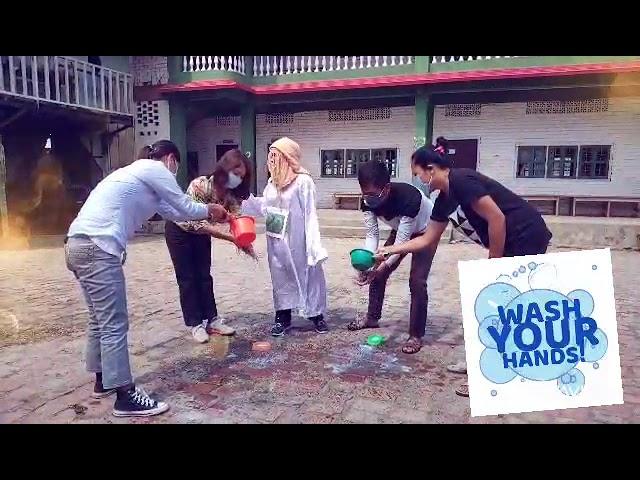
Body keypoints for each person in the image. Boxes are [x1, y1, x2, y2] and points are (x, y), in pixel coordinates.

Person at [65, 140, 229, 417]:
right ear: (170, 159)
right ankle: (125, 396)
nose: (174, 171)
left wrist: (207, 217)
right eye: (175, 164)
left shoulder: (136, 175)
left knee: (99, 319)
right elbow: (186, 206)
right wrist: (211, 210)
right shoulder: (155, 168)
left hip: (76, 245)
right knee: (114, 323)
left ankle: (102, 380)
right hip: (98, 248)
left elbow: (174, 212)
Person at [376, 137, 553, 395]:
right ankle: (481, 364)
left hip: (527, 236)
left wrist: (494, 263)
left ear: (431, 168)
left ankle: (491, 375)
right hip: (512, 244)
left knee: (504, 307)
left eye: (418, 174)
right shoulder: (444, 199)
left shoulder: (461, 179)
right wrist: (390, 250)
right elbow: (426, 239)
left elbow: (497, 217)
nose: (419, 180)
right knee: (495, 306)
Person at [165, 149, 254, 344]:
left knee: (204, 276)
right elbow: (196, 223)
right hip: (180, 230)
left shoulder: (231, 196)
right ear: (225, 168)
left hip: (202, 234)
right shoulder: (200, 185)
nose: (238, 179)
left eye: (242, 177)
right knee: (187, 278)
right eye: (236, 174)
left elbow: (236, 219)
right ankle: (195, 323)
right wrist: (232, 239)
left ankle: (213, 320)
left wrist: (245, 240)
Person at [241, 137, 329, 337]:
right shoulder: (272, 183)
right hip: (276, 239)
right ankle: (283, 317)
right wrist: (246, 201)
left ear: (288, 157)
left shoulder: (303, 181)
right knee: (281, 278)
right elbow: (266, 207)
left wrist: (314, 245)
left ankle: (316, 315)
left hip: (298, 239)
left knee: (308, 275)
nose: (271, 161)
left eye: (276, 156)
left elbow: (310, 214)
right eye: (270, 156)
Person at [349, 160, 435, 354]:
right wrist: (368, 265)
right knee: (378, 274)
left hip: (425, 231)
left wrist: (380, 266)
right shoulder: (367, 201)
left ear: (387, 188)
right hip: (401, 230)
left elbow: (402, 243)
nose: (369, 199)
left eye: (373, 194)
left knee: (417, 281)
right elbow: (372, 235)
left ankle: (415, 334)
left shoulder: (409, 197)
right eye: (365, 194)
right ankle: (372, 318)